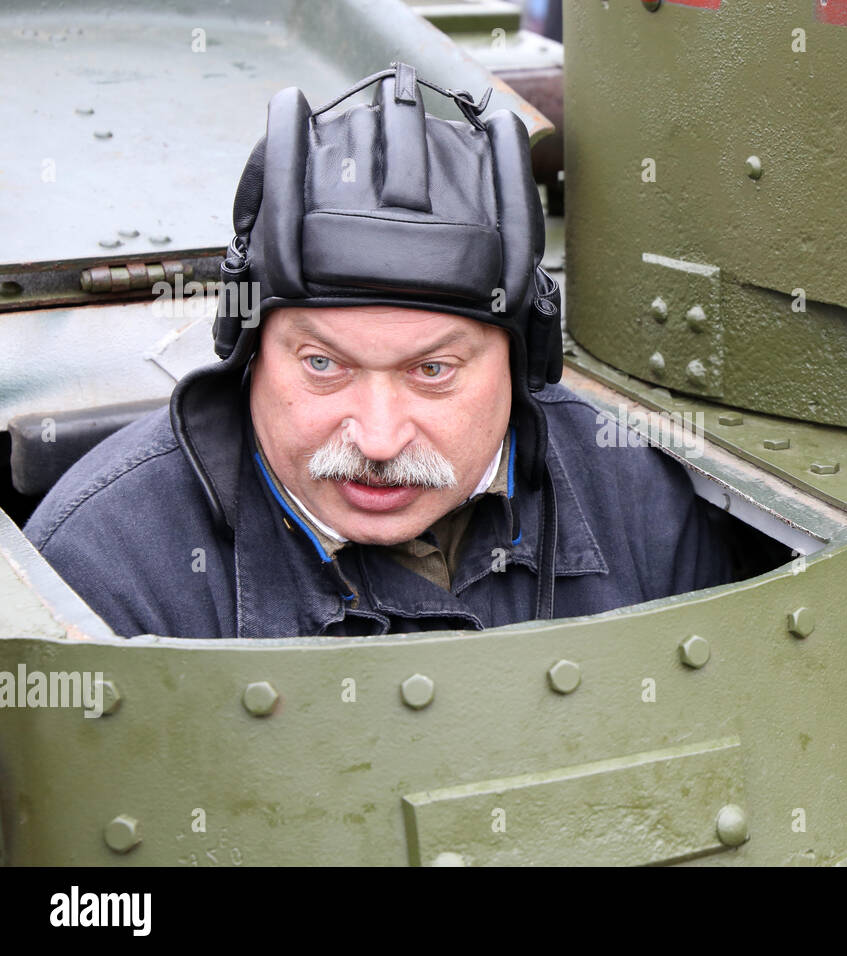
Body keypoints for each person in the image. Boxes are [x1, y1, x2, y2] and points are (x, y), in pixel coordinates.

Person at [23, 64, 732, 638]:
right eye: (323, 365)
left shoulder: (632, 495)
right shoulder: (108, 566)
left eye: (433, 371)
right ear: (248, 348)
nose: (380, 439)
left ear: (523, 365)